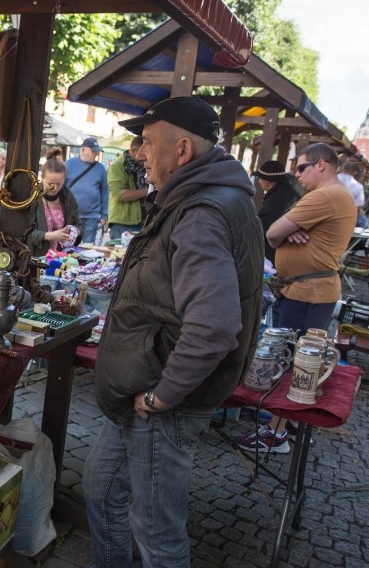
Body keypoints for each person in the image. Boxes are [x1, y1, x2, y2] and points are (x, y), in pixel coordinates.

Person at [84, 97, 263, 567]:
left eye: (146, 141)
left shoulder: (201, 211)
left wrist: (163, 395)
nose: (139, 153)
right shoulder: (206, 198)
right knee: (101, 490)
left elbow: (216, 324)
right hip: (140, 388)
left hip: (158, 403)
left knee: (158, 537)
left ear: (182, 150)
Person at [236, 143, 356, 454]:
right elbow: (280, 230)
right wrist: (293, 228)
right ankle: (286, 423)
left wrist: (287, 230)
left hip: (308, 293)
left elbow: (273, 233)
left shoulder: (325, 195)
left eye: (301, 167)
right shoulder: (332, 196)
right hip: (307, 291)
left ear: (322, 164)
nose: (296, 175)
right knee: (297, 360)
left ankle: (275, 433)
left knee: (291, 361)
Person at [27, 148, 82, 256]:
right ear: (42, 178)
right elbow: (25, 232)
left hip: (61, 257)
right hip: (36, 257)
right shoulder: (32, 197)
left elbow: (79, 224)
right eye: (50, 184)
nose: (54, 188)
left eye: (58, 184)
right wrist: (49, 235)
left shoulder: (68, 196)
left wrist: (74, 231)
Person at [254, 160, 299, 264]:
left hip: (277, 251)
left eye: (260, 178)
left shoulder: (281, 197)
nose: (259, 181)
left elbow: (267, 222)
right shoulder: (282, 192)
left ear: (268, 180)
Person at [65, 137, 108, 245]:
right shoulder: (69, 164)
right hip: (72, 215)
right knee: (69, 246)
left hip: (92, 216)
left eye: (97, 151)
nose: (96, 154)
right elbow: (62, 189)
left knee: (88, 248)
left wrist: (104, 215)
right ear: (83, 149)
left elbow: (104, 193)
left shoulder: (101, 168)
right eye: (93, 151)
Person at [106, 136, 149, 241]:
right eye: (141, 152)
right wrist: (147, 192)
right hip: (122, 223)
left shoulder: (146, 165)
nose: (144, 155)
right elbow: (120, 194)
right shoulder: (117, 166)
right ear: (134, 151)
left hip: (145, 222)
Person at [338, 162, 366, 228]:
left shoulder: (331, 179)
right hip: (345, 220)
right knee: (363, 221)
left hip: (325, 217)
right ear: (355, 172)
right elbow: (357, 208)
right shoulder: (358, 186)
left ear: (342, 169)